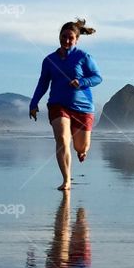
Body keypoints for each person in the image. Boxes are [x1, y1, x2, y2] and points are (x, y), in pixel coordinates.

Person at [29, 18, 102, 190]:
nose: (66, 41)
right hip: (58, 105)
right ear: (59, 37)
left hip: (83, 108)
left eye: (70, 38)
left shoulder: (83, 57)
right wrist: (34, 102)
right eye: (64, 37)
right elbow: (43, 83)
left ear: (77, 39)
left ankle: (82, 151)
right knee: (62, 139)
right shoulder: (49, 60)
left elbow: (98, 77)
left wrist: (82, 82)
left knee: (80, 146)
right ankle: (67, 180)